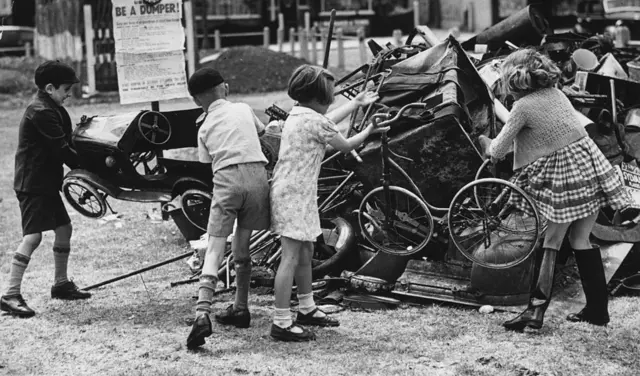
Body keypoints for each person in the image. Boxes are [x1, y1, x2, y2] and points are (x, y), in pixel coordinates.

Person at [478, 49, 630, 331]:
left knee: (551, 242)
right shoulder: (558, 94)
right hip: (591, 169)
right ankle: (597, 310)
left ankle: (534, 313)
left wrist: (485, 142)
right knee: (581, 240)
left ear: (515, 79)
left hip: (566, 177)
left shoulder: (523, 107)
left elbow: (498, 150)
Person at [269, 65, 385, 341]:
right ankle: (281, 321)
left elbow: (327, 123)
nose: (333, 98)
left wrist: (354, 103)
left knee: (307, 251)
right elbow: (345, 144)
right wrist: (369, 129)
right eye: (331, 94)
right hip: (294, 195)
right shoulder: (314, 121)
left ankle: (307, 307)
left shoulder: (299, 113)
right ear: (320, 97)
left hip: (294, 192)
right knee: (291, 256)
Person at [185, 67, 271, 349]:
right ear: (225, 88)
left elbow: (206, 163)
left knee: (215, 247)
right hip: (258, 178)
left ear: (198, 101)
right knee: (243, 246)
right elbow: (265, 134)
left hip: (227, 180)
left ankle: (202, 312)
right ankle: (241, 307)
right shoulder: (244, 109)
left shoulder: (204, 127)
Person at [1, 61, 91, 318]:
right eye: (66, 89)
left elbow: (68, 140)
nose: (69, 94)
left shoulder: (53, 106)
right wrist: (89, 167)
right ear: (49, 88)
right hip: (33, 184)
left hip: (46, 182)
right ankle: (10, 294)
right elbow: (62, 150)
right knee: (33, 237)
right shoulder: (40, 111)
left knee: (64, 229)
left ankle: (60, 284)